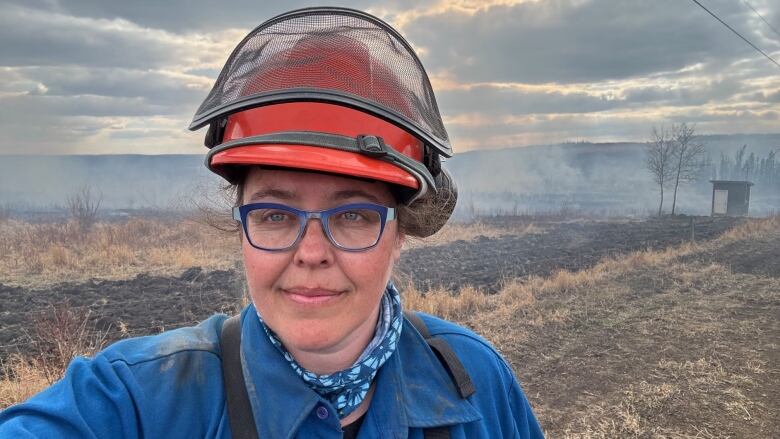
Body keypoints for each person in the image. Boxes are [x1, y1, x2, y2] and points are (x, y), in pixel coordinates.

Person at [0, 7, 544, 438]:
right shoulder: (139, 399)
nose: (311, 252)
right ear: (241, 228)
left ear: (400, 233)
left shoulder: (474, 381)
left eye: (353, 214)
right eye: (276, 214)